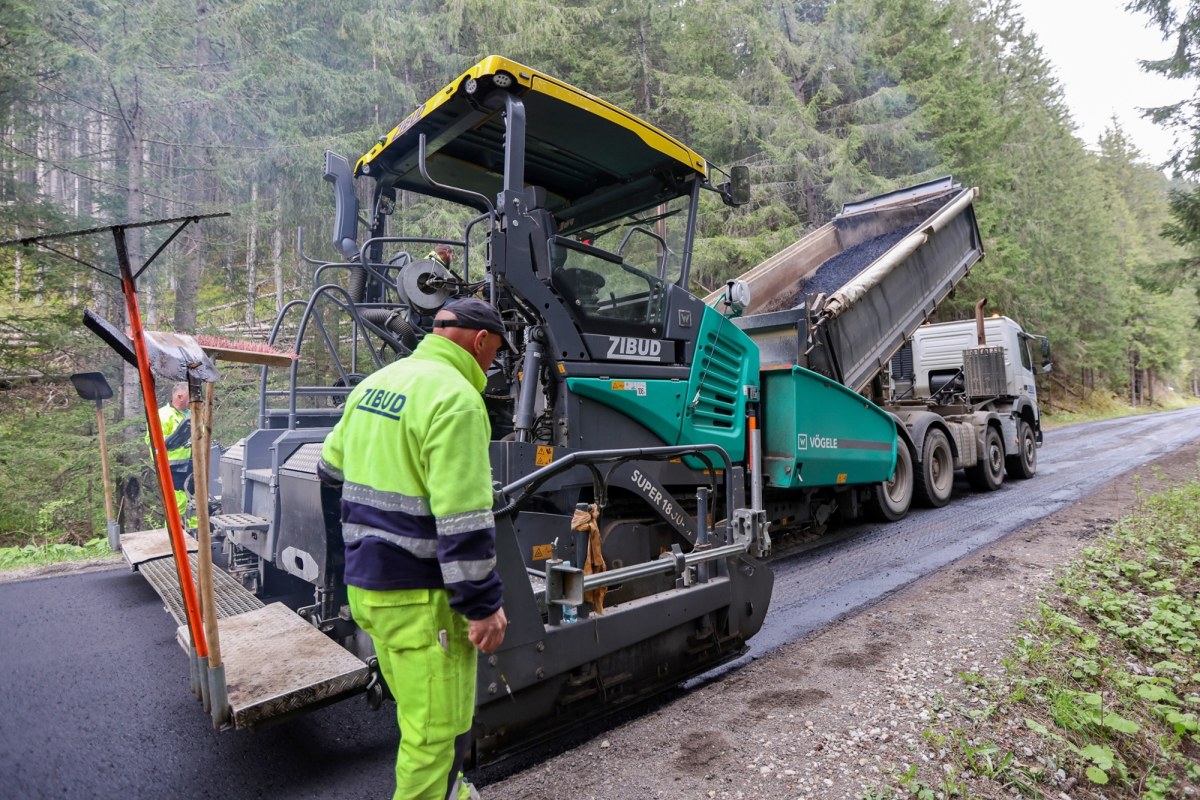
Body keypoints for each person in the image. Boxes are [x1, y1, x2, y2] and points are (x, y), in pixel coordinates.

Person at [317, 298, 512, 800]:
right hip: (423, 602)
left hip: (371, 590)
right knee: (437, 739)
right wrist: (483, 605)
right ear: (480, 341)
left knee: (419, 712)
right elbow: (462, 520)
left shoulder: (376, 384)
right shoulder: (457, 399)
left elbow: (330, 470)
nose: (493, 363)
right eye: (494, 352)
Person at [146, 381, 192, 523]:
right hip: (172, 468)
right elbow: (152, 440)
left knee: (195, 504)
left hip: (192, 466)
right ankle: (177, 540)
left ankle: (195, 536)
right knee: (177, 505)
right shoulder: (162, 415)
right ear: (180, 396)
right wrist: (175, 441)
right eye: (191, 395)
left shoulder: (192, 414)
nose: (194, 399)